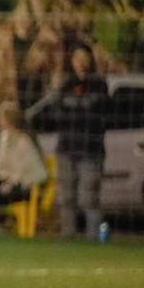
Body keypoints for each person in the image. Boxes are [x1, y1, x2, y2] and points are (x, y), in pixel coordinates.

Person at [50, 43, 110, 239]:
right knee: (66, 197)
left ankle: (94, 236)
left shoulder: (99, 84)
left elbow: (100, 115)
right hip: (67, 149)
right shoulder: (66, 84)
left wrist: (76, 111)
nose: (81, 63)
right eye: (77, 59)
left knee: (89, 197)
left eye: (84, 59)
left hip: (90, 150)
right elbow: (58, 114)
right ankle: (68, 234)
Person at [0, 101, 47, 237]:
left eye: (0, 117)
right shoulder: (3, 137)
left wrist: (11, 182)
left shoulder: (24, 141)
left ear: (8, 119)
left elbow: (29, 171)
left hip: (25, 186)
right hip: (6, 180)